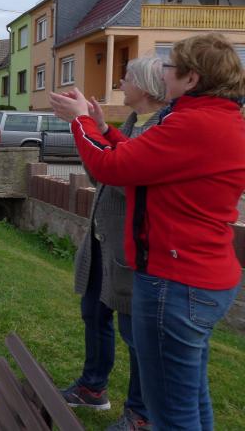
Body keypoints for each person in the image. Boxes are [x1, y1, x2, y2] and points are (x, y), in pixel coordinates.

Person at [50, 33, 245, 430]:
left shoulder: (193, 124)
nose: (163, 74)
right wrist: (103, 129)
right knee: (191, 399)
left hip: (175, 281)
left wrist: (80, 122)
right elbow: (141, 159)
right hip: (200, 276)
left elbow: (111, 168)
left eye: (169, 67)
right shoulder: (215, 119)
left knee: (171, 414)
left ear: (191, 78)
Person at [60, 57, 167, 431]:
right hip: (102, 242)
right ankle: (92, 387)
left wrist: (85, 125)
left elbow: (124, 180)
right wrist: (100, 129)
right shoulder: (133, 124)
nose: (121, 82)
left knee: (135, 335)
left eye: (127, 77)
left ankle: (141, 414)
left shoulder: (159, 130)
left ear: (146, 86)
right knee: (93, 313)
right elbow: (102, 174)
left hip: (130, 251)